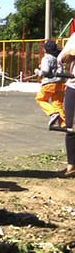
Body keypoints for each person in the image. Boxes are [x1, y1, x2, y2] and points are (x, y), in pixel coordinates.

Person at [36, 40, 66, 128]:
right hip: (60, 83)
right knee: (57, 103)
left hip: (49, 83)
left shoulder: (46, 58)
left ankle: (52, 113)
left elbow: (45, 71)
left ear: (46, 50)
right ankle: (63, 123)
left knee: (40, 99)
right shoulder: (58, 58)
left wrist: (38, 72)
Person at [57, 37, 75, 178]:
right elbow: (61, 59)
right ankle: (72, 165)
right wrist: (69, 54)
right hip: (74, 87)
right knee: (71, 127)